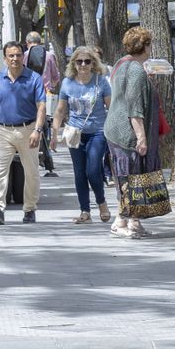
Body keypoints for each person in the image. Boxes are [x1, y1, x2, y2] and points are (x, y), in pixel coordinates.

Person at [103, 26, 159, 239]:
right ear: (145, 46)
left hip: (115, 131)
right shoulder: (136, 70)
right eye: (149, 44)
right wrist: (141, 138)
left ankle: (134, 221)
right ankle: (120, 221)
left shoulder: (122, 64)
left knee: (131, 177)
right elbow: (135, 109)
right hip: (125, 134)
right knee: (128, 178)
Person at [0, 40, 47, 225]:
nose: (15, 59)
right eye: (11, 56)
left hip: (28, 130)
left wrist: (37, 130)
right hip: (3, 130)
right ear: (5, 58)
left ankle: (29, 209)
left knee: (31, 172)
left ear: (23, 57)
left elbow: (42, 106)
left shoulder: (34, 78)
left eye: (18, 55)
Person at [54, 46, 112, 224]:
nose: (83, 64)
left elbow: (111, 108)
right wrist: (54, 134)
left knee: (93, 170)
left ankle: (101, 203)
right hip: (75, 134)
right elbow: (60, 110)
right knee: (79, 173)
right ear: (74, 63)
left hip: (98, 132)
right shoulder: (67, 83)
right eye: (79, 61)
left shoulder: (101, 82)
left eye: (87, 61)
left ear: (93, 63)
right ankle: (85, 212)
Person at [26, 31, 61, 176]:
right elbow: (56, 77)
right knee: (44, 126)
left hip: (28, 97)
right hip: (45, 96)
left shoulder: (24, 55)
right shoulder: (50, 56)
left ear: (27, 42)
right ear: (40, 42)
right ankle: (47, 160)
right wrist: (50, 87)